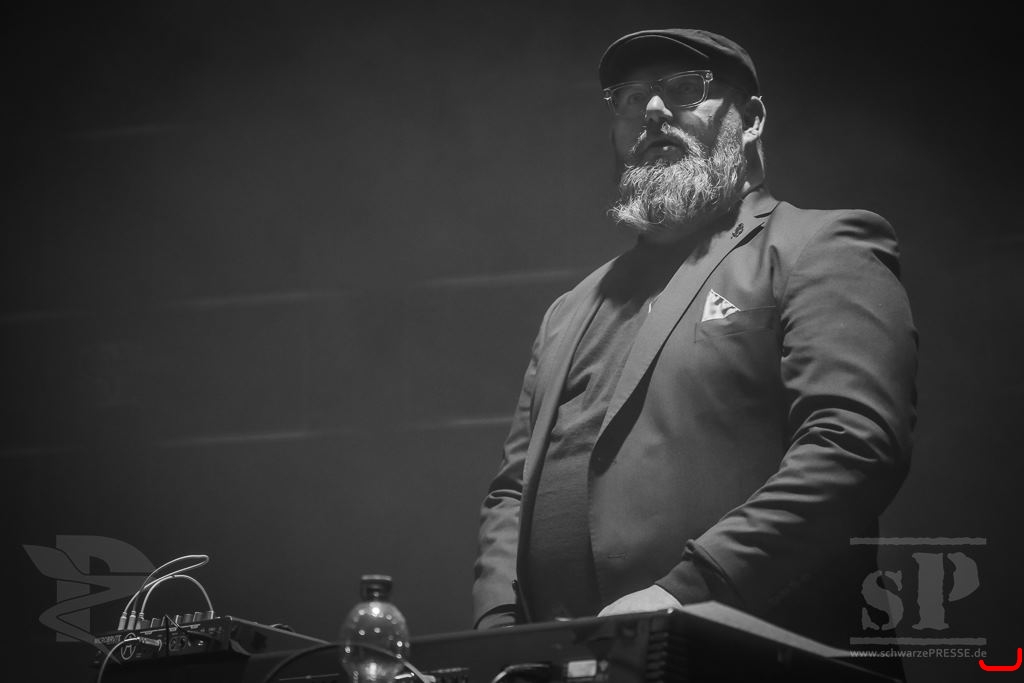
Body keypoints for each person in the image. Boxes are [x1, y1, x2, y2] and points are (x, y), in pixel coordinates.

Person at [472, 27, 917, 657]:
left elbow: (853, 445)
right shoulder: (568, 311)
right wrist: (498, 632)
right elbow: (512, 493)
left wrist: (688, 590)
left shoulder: (819, 246)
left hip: (758, 659)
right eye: (631, 98)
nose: (653, 110)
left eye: (684, 90)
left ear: (752, 119)